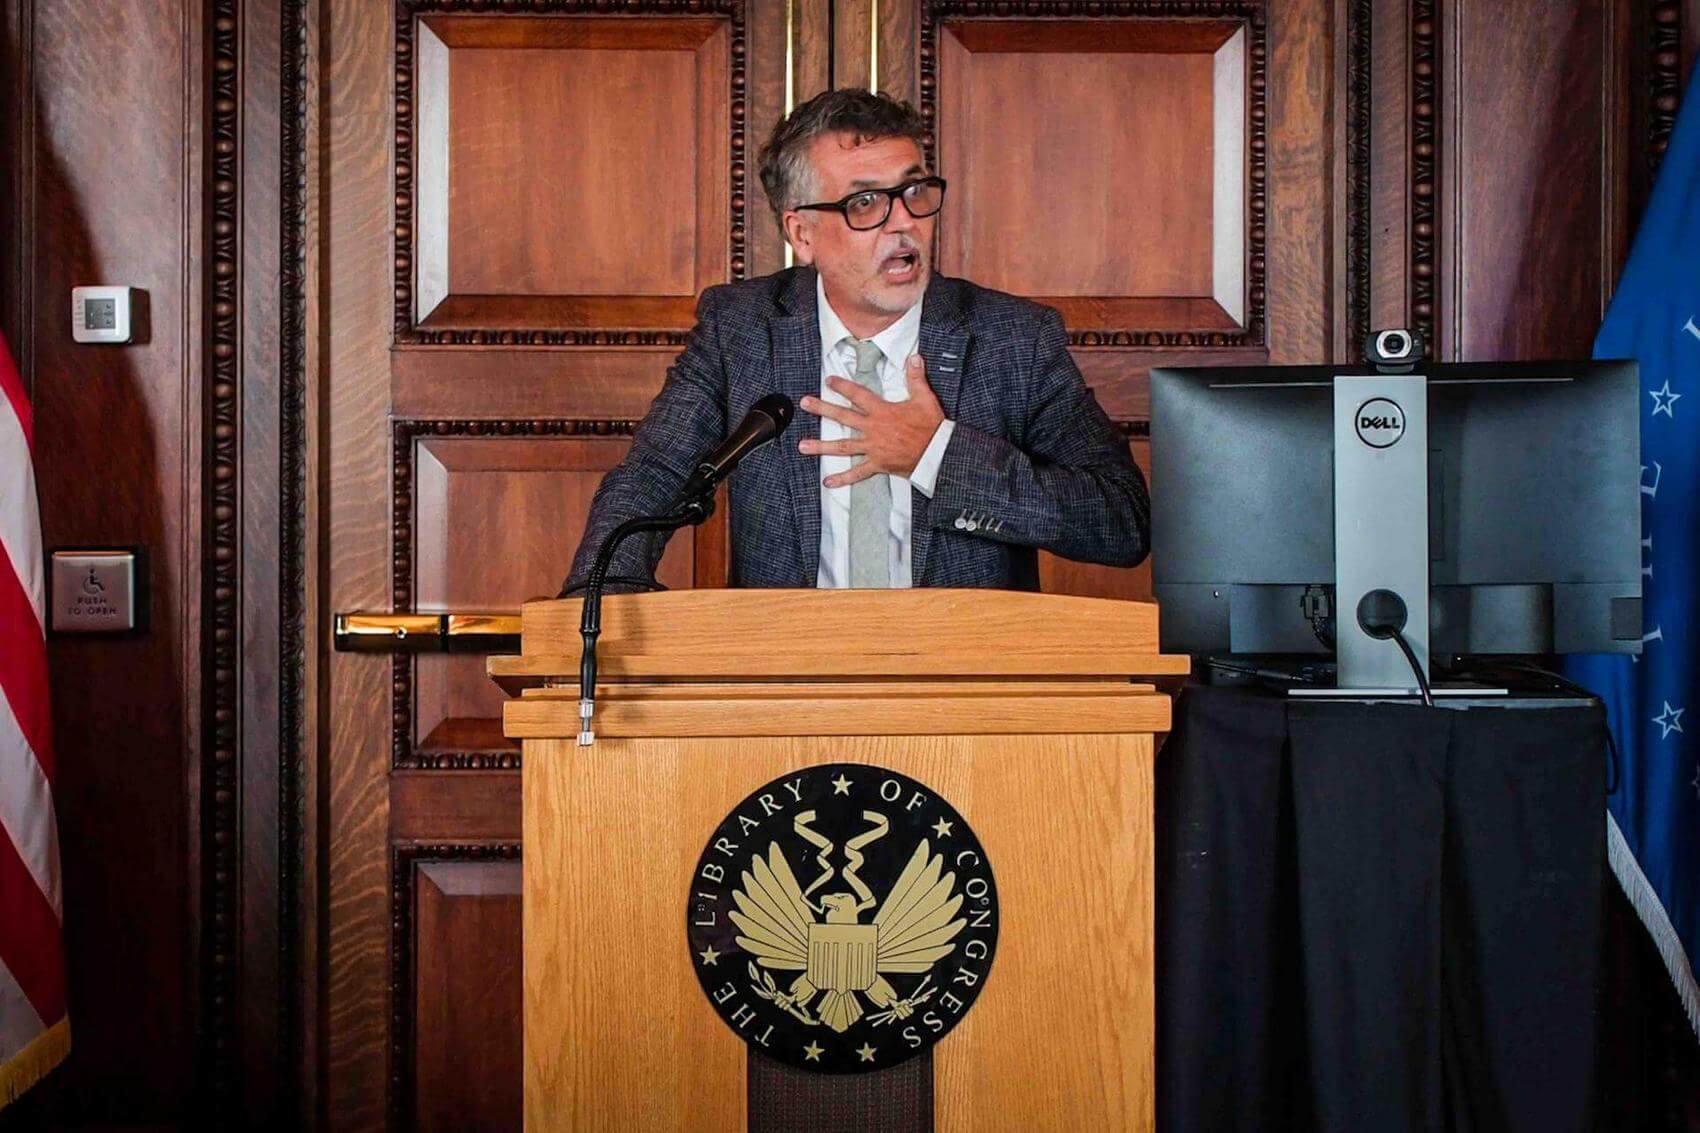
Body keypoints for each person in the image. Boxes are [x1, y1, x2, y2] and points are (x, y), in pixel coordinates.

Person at [564, 88, 1149, 592]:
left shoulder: (1012, 339)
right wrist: (595, 613)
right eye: (865, 202)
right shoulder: (740, 329)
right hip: (790, 688)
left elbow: (1119, 521)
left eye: (914, 192)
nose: (904, 222)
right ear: (802, 232)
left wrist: (936, 455)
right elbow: (654, 479)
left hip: (960, 690)